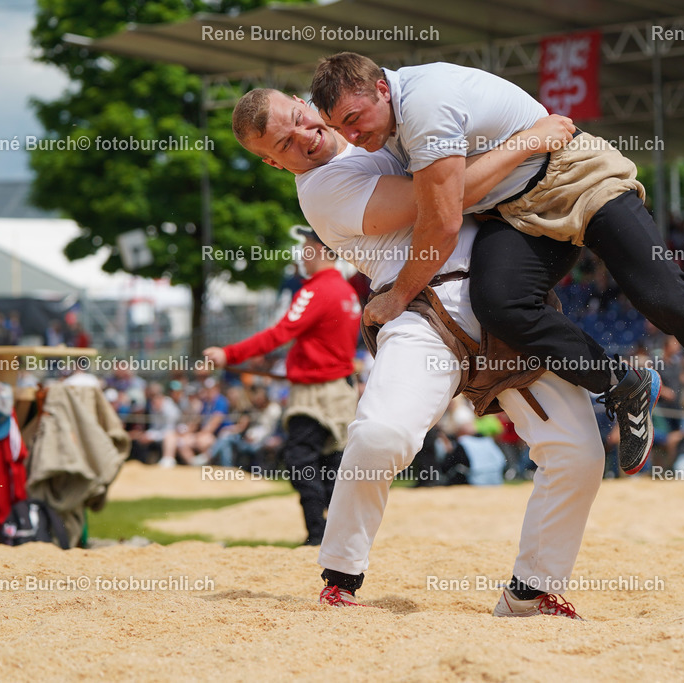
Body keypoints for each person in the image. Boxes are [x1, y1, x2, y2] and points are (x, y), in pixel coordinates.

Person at [309, 53, 684, 477]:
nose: (353, 135)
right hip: (514, 212)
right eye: (342, 128)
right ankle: (620, 384)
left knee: (662, 296)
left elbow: (442, 221)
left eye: (356, 120)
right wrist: (523, 141)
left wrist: (398, 295)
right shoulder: (387, 128)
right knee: (498, 303)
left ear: (382, 88)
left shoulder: (425, 105)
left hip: (577, 176)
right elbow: (447, 200)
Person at [232, 88, 602, 618]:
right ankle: (340, 574)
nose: (306, 139)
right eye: (286, 145)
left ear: (304, 99)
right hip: (422, 310)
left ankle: (531, 590)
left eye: (300, 119)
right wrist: (529, 140)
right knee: (380, 435)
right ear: (272, 163)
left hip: (509, 295)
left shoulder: (390, 120)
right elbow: (439, 200)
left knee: (579, 453)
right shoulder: (321, 189)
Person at [204, 231, 360, 546]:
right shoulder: (346, 292)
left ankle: (317, 534)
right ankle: (337, 534)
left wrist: (228, 354)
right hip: (340, 389)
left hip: (316, 392)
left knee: (300, 458)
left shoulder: (316, 290)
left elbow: (279, 333)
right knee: (331, 462)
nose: (301, 255)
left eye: (304, 249)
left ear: (318, 250)